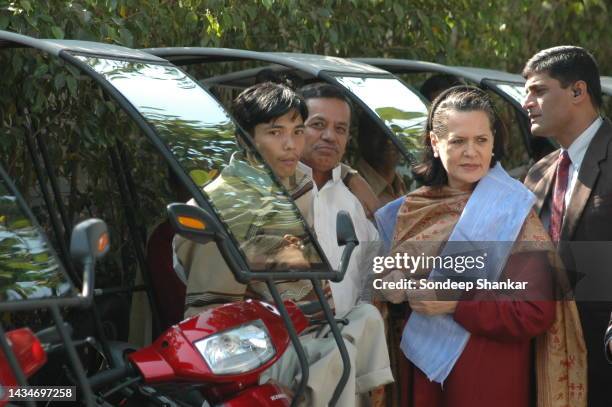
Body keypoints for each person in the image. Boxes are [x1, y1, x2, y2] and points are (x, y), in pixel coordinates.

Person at [175, 82, 393, 406]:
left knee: (366, 319)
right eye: (275, 133)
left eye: (297, 131)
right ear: (245, 137)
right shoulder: (225, 206)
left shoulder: (295, 185)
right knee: (337, 354)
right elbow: (211, 313)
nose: (291, 145)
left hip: (304, 326)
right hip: (255, 348)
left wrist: (349, 175)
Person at [375, 86, 585, 406]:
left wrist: (454, 301)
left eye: (481, 140)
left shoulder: (511, 209)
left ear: (492, 145)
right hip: (421, 378)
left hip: (489, 380)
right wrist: (392, 287)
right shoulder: (405, 211)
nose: (470, 152)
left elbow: (534, 312)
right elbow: (383, 287)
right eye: (458, 141)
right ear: (435, 142)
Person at [522, 45, 612, 406]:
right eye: (526, 92)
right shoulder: (539, 174)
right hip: (547, 364)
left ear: (578, 91)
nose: (527, 102)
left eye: (539, 90)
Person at [295, 82, 380, 316]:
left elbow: (370, 278)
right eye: (318, 125)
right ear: (295, 129)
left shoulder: (355, 202)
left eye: (340, 129)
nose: (330, 136)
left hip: (346, 345)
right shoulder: (271, 192)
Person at [355, 116, 408, 205]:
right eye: (379, 133)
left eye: (394, 133)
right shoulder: (352, 187)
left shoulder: (400, 184)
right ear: (362, 139)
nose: (389, 141)